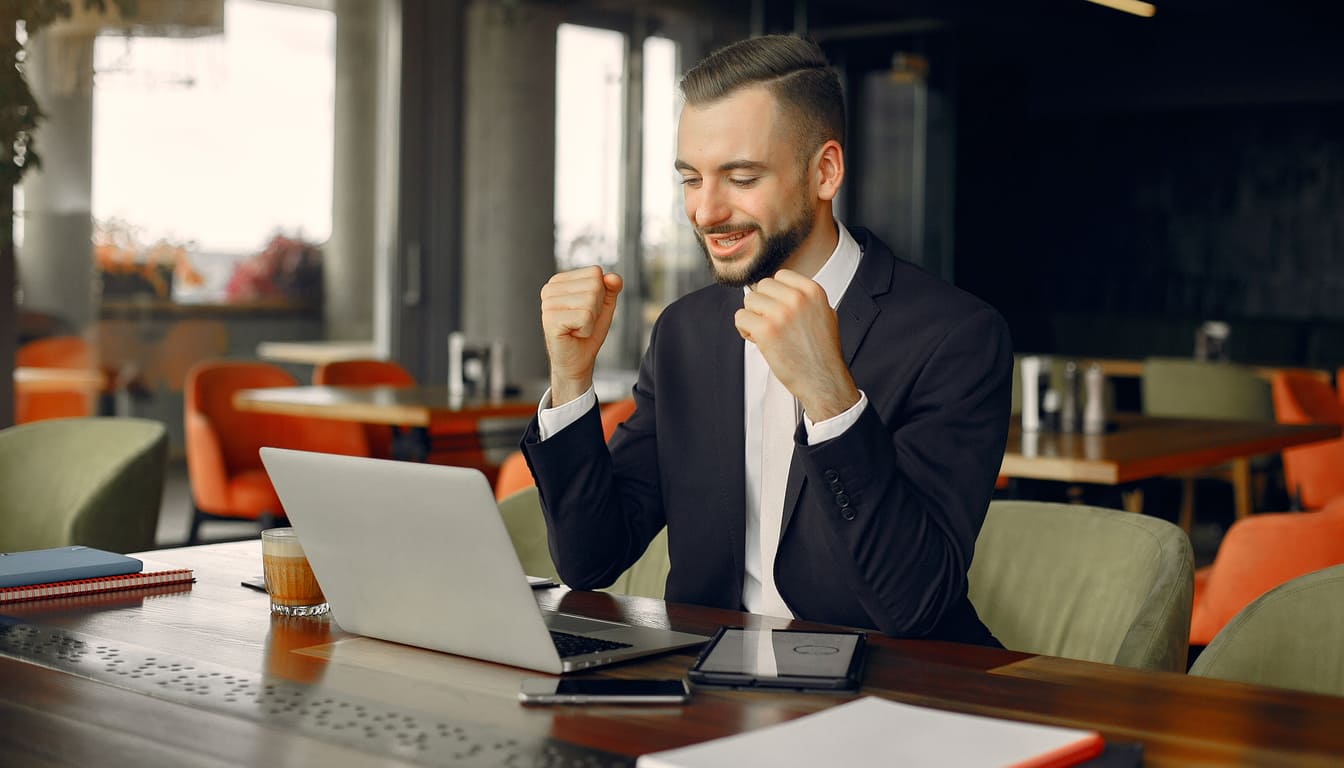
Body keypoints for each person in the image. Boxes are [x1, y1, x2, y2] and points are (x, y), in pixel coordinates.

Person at [521, 34, 1011, 646]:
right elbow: (591, 560)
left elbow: (913, 603)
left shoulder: (955, 337)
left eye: (741, 177)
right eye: (691, 180)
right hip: (709, 689)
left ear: (824, 172)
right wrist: (570, 380)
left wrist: (832, 397)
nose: (704, 212)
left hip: (891, 692)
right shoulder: (685, 331)